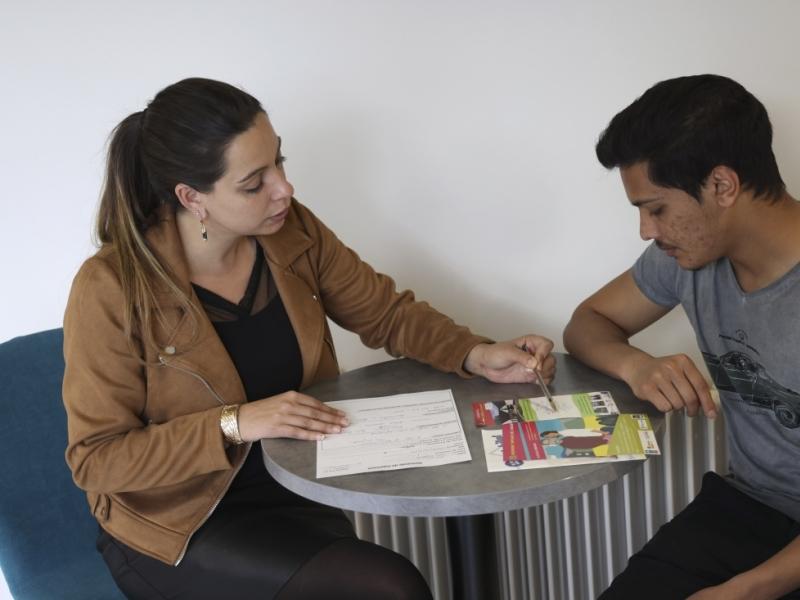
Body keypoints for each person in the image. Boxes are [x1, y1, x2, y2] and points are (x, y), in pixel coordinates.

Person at [62, 77, 556, 600]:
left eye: (280, 162)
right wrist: (236, 422)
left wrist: (477, 354)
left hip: (299, 491)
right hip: (179, 526)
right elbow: (97, 459)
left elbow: (386, 314)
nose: (284, 189)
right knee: (391, 587)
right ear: (192, 197)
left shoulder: (292, 230)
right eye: (255, 183)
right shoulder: (110, 287)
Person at [563, 74, 800, 599]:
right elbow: (587, 323)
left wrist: (746, 590)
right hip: (747, 511)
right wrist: (636, 365)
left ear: (721, 186)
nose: (647, 231)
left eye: (656, 209)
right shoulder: (688, 260)